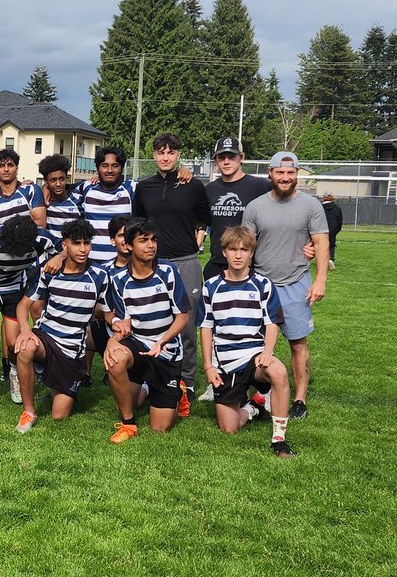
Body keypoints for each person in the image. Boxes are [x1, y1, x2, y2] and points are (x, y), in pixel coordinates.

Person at [242, 151, 328, 421]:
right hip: (261, 284)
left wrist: (320, 279)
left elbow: (321, 242)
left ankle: (299, 398)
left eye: (291, 173)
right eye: (280, 172)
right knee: (249, 343)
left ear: (297, 174)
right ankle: (255, 394)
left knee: (297, 343)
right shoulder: (255, 207)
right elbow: (244, 247)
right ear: (270, 173)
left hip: (296, 282)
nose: (285, 177)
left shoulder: (311, 205)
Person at [130, 133, 211, 417]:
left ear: (178, 155)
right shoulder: (143, 187)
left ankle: (185, 384)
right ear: (154, 155)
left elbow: (205, 217)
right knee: (151, 323)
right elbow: (138, 222)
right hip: (154, 264)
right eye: (161, 152)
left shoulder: (192, 185)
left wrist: (198, 236)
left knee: (186, 325)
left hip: (185, 261)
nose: (166, 157)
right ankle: (153, 378)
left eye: (171, 152)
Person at [200, 226, 293, 458]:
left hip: (254, 358)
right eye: (233, 249)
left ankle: (279, 440)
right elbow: (206, 327)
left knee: (279, 372)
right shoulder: (211, 286)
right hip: (225, 365)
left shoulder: (263, 285)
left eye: (244, 249)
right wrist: (208, 367)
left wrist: (267, 352)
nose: (238, 255)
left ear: (252, 252)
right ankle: (255, 405)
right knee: (229, 428)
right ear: (224, 252)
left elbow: (272, 323)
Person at [12, 219, 109, 432]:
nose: (83, 249)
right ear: (64, 245)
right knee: (25, 347)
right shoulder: (50, 271)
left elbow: (109, 312)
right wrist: (26, 330)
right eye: (76, 243)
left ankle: (57, 385)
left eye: (87, 243)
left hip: (73, 351)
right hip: (47, 337)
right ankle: (29, 411)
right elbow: (23, 305)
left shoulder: (100, 275)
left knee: (59, 417)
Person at [101, 220, 189, 443]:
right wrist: (113, 340)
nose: (151, 245)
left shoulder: (168, 271)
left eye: (153, 240)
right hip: (138, 345)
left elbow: (183, 317)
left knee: (160, 428)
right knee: (115, 359)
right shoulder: (119, 280)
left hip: (166, 350)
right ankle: (128, 425)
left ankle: (177, 390)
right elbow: (122, 321)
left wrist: (162, 341)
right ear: (129, 245)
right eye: (143, 240)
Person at [0, 215, 58, 411]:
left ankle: (15, 377)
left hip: (14, 291)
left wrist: (58, 257)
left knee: (14, 343)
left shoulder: (42, 239)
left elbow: (64, 248)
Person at [202, 137, 271, 281]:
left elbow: (286, 209)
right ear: (216, 160)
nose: (226, 162)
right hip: (218, 263)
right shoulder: (210, 189)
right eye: (221, 157)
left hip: (250, 265)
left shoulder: (261, 186)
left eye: (232, 156)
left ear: (242, 157)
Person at [78, 145, 135, 266]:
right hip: (91, 265)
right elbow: (59, 190)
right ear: (98, 168)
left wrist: (183, 172)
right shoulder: (85, 189)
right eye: (105, 165)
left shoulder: (131, 189)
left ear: (122, 168)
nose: (110, 170)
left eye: (115, 166)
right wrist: (45, 188)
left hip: (123, 266)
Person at [0, 148, 46, 229]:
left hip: (29, 241)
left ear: (17, 168)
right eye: (1, 166)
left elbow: (40, 226)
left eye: (10, 165)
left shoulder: (31, 191)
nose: (6, 169)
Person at [40, 154, 83, 240]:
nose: (58, 184)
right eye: (53, 180)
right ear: (46, 181)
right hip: (50, 252)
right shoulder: (41, 202)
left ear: (66, 177)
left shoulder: (77, 199)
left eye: (62, 179)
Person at [321, 193, 344, 269]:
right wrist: (336, 230)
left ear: (323, 198)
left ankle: (322, 260)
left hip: (321, 229)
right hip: (333, 229)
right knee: (331, 245)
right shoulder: (337, 208)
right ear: (333, 198)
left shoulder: (320, 208)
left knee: (320, 245)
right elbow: (340, 221)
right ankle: (331, 259)